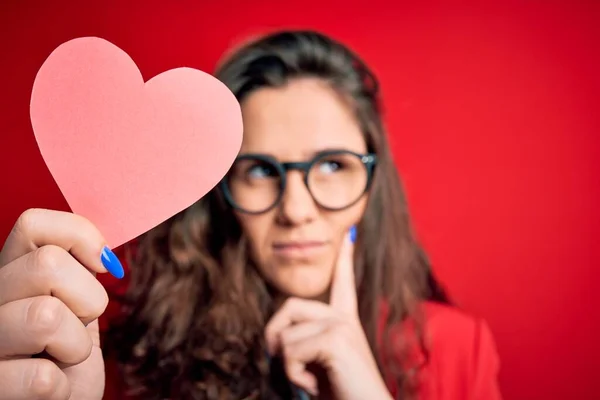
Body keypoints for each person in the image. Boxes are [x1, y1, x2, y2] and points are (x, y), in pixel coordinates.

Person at [0, 30, 501, 400]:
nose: (297, 210)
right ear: (222, 190)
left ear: (373, 184)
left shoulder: (460, 351)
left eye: (332, 165)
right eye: (260, 170)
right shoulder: (133, 354)